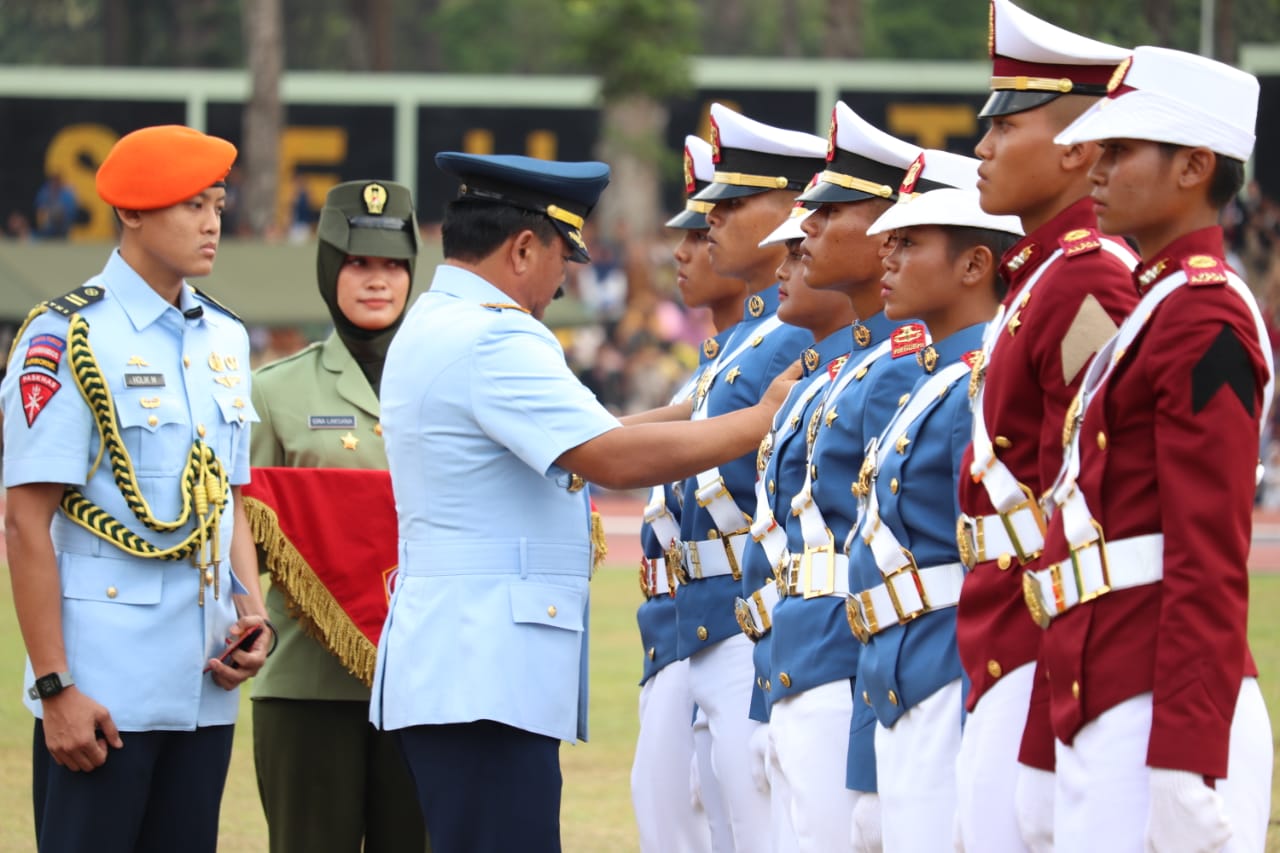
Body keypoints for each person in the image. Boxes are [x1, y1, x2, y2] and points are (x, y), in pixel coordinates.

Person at [371, 152, 798, 853]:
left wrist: (692, 412)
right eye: (560, 262)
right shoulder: (494, 336)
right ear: (523, 247)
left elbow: (585, 434)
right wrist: (759, 419)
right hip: (485, 674)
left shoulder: (442, 320)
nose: (562, 285)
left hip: (459, 664)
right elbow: (605, 455)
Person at [1, 124, 272, 853]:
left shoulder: (226, 338)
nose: (213, 222)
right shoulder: (66, 337)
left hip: (204, 683)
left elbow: (229, 499)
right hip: (101, 690)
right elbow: (25, 523)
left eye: (218, 203)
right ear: (131, 213)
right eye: (191, 205)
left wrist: (255, 614)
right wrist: (56, 688)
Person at [1030, 45, 1273, 852]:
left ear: (1194, 166)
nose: (1094, 167)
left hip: (1161, 703)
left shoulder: (1205, 317)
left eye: (1122, 149)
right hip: (1110, 683)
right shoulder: (1155, 305)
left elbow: (1207, 552)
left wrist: (1188, 753)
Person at [953, 2, 1140, 848]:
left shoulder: (1087, 283)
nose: (981, 150)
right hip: (1002, 623)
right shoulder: (1039, 282)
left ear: (1073, 148)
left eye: (1004, 129)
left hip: (1039, 629)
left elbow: (1098, 476)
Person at [246, 180, 429, 853]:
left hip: (427, 681)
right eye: (358, 263)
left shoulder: (447, 380)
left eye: (391, 265)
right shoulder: (274, 391)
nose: (377, 281)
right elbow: (245, 538)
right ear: (329, 267)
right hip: (307, 689)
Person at [847, 185, 1021, 851]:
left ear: (975, 265)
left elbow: (992, 555)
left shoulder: (978, 382)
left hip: (953, 665)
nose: (885, 257)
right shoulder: (932, 381)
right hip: (901, 666)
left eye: (909, 243)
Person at [680, 103, 822, 852]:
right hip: (707, 610)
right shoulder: (751, 338)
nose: (706, 225)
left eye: (730, 205)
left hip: (751, 612)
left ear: (794, 210)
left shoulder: (796, 337)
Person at [737, 187, 856, 852]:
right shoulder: (820, 376)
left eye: (799, 251)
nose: (786, 267)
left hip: (838, 658)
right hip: (788, 650)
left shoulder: (887, 374)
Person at [632, 135, 739, 853]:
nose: (684, 249)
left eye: (704, 231)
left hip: (732, 629)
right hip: (676, 628)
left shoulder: (775, 357)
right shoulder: (715, 368)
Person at [33, 172, 79, 239]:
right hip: (48, 224)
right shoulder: (45, 192)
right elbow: (39, 206)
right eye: (53, 181)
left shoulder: (67, 193)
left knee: (58, 212)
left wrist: (60, 213)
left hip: (64, 223)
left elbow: (72, 210)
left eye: (57, 181)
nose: (55, 183)